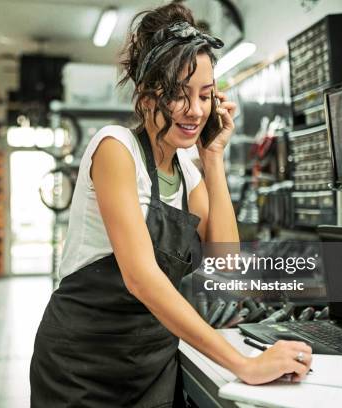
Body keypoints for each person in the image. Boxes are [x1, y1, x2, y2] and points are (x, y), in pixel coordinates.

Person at [30, 2, 312, 407]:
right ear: (147, 97)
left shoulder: (190, 174)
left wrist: (212, 158)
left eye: (205, 95)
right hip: (82, 366)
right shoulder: (115, 149)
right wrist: (242, 364)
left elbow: (227, 266)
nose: (195, 110)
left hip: (152, 364)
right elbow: (141, 279)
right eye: (179, 94)